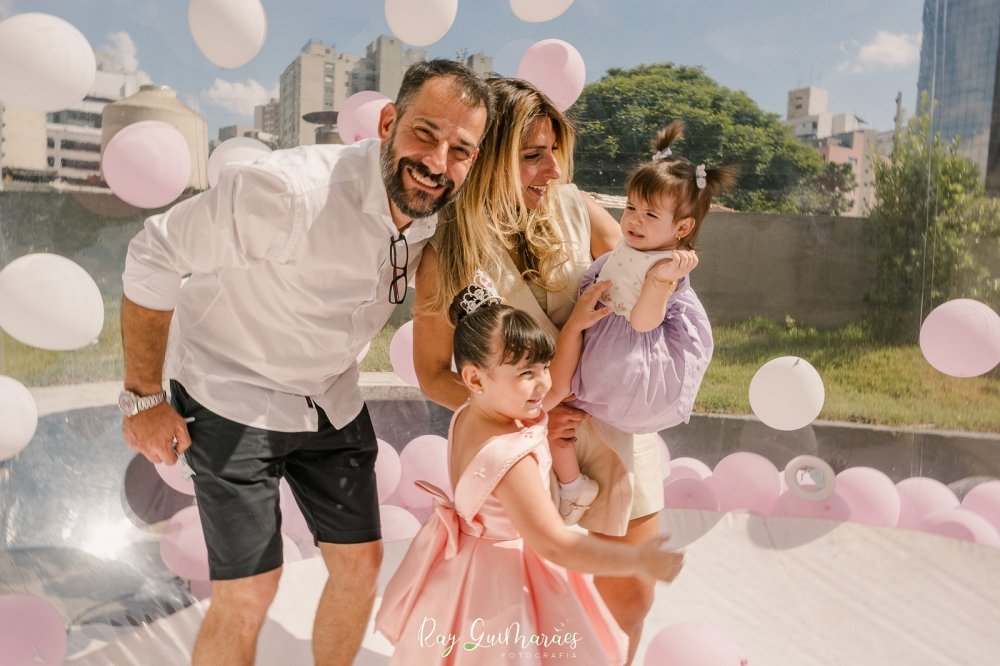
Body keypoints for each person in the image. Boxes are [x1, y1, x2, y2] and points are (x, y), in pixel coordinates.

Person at [119, 59, 493, 666]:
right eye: (425, 134)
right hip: (231, 389)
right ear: (388, 123)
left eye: (460, 150)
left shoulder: (440, 211)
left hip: (329, 397)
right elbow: (153, 253)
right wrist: (143, 398)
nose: (436, 161)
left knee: (361, 566)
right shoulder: (289, 192)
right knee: (248, 592)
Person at [411, 76, 674, 665]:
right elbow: (432, 372)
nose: (553, 169)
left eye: (554, 151)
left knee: (630, 598)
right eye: (532, 155)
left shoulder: (578, 209)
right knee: (540, 614)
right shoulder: (446, 253)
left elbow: (644, 271)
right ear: (486, 160)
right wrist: (522, 418)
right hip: (531, 452)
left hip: (616, 429)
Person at [374, 276, 684, 665]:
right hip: (503, 583)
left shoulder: (472, 413)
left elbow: (555, 388)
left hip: (466, 567)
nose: (541, 384)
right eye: (526, 373)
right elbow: (557, 544)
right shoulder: (510, 458)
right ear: (475, 378)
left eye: (543, 366)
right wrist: (636, 560)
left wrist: (575, 325)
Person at [543, 120, 738, 521]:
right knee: (557, 422)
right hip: (602, 345)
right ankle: (573, 486)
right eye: (631, 207)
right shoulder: (629, 248)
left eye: (650, 214)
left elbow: (645, 322)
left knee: (558, 413)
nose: (634, 220)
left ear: (682, 228)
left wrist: (659, 284)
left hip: (632, 353)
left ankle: (572, 487)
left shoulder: (665, 267)